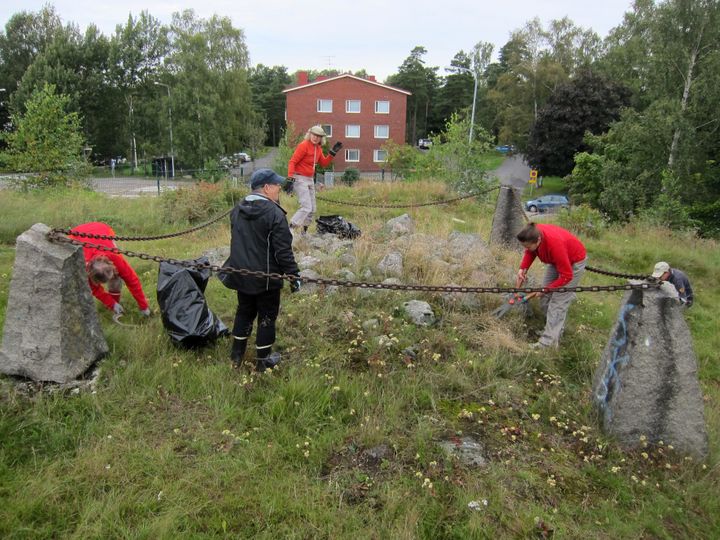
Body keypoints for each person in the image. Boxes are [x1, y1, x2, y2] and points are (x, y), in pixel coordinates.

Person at [222, 168, 301, 372]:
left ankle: (236, 357)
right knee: (267, 317)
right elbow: (283, 251)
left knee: (244, 312)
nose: (279, 190)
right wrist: (294, 275)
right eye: (277, 186)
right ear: (266, 188)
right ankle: (262, 363)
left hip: (241, 274)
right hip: (266, 278)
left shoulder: (237, 209)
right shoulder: (275, 213)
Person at [515, 222, 587, 349]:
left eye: (528, 246)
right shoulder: (533, 234)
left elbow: (566, 276)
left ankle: (547, 344)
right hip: (556, 261)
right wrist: (523, 268)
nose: (526, 248)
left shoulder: (555, 244)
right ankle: (555, 331)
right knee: (544, 298)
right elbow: (530, 251)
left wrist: (545, 289)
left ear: (538, 241)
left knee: (558, 302)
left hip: (573, 263)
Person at [69, 222, 151, 317]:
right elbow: (94, 290)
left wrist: (144, 306)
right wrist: (112, 304)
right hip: (76, 234)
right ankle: (115, 305)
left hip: (102, 228)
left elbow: (133, 281)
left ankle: (115, 300)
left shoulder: (115, 258)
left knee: (116, 279)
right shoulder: (85, 267)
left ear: (112, 266)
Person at [287, 125, 343, 235]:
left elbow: (324, 163)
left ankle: (303, 233)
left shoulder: (318, 148)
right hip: (299, 178)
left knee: (312, 209)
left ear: (321, 138)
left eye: (318, 136)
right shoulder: (303, 145)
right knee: (306, 207)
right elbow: (292, 162)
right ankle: (290, 229)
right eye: (314, 135)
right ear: (310, 134)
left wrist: (332, 153)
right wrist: (290, 178)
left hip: (309, 179)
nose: (315, 138)